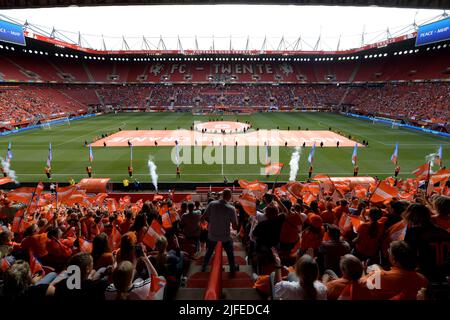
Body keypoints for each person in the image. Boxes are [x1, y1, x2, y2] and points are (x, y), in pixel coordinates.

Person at [361, 241, 428, 300]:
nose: (387, 252)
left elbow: (360, 285)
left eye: (389, 252)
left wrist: (363, 272)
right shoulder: (423, 280)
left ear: (395, 260)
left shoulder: (380, 276)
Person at [402, 203, 450, 282]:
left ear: (410, 216)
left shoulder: (414, 232)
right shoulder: (443, 231)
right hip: (444, 272)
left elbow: (408, 254)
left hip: (424, 273)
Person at [201, 189, 238, 274]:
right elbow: (235, 226)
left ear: (222, 195)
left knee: (209, 251)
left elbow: (203, 217)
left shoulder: (212, 204)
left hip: (212, 235)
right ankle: (232, 269)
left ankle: (204, 267)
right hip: (225, 236)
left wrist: (211, 222)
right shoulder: (231, 209)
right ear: (229, 196)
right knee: (230, 253)